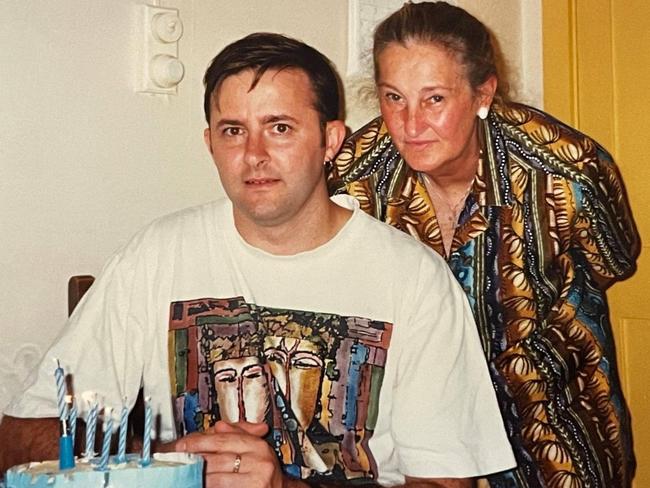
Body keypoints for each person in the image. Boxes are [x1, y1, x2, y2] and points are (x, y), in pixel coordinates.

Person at [0, 33, 516, 487]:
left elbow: (446, 484)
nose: (254, 154)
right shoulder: (157, 255)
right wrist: (164, 465)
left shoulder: (415, 281)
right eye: (232, 130)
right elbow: (19, 437)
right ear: (209, 143)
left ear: (330, 141)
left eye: (281, 128)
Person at [327, 3, 639, 488]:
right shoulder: (357, 174)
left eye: (434, 99)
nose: (410, 125)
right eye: (394, 98)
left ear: (482, 93)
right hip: (421, 438)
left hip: (555, 427)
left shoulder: (566, 170)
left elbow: (614, 259)